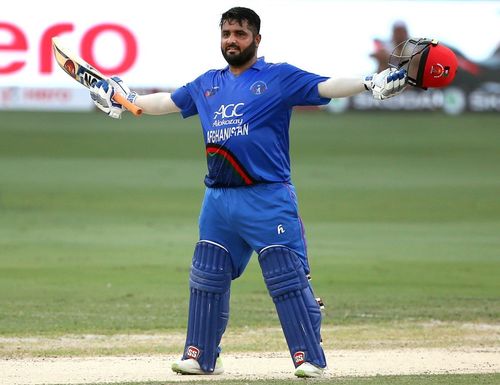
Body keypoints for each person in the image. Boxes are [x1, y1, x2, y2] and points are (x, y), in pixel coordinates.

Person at [90, 7, 406, 378]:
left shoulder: (278, 77)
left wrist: (369, 83)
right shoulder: (208, 83)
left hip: (267, 198)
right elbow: (167, 102)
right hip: (219, 200)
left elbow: (325, 86)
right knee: (208, 274)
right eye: (226, 33)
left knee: (285, 276)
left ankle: (310, 359)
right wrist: (125, 99)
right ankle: (200, 355)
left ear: (256, 39)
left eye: (240, 34)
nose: (232, 40)